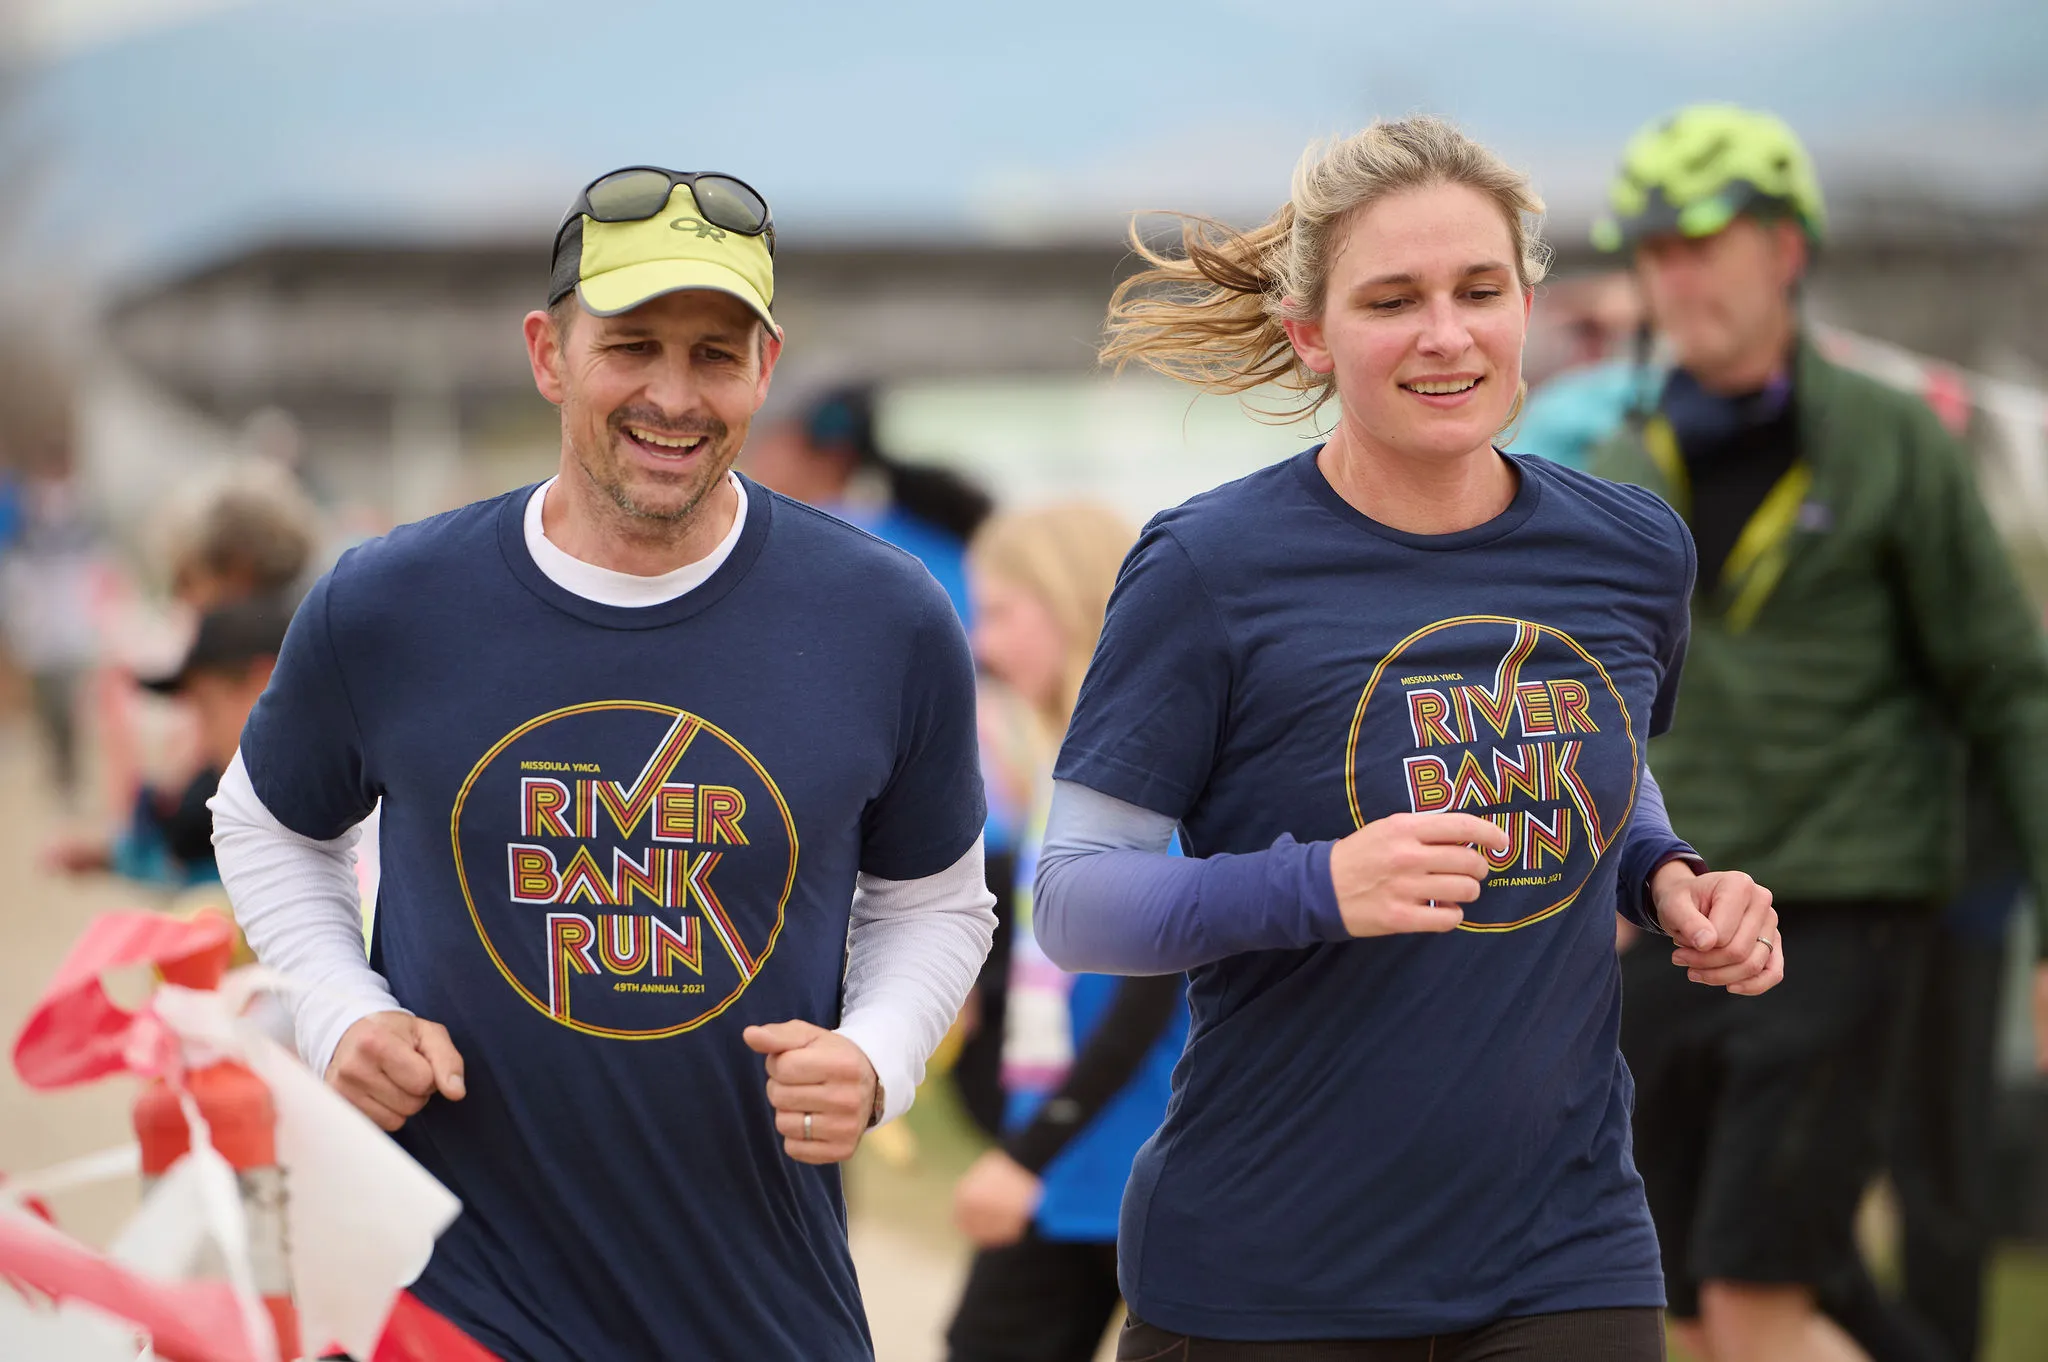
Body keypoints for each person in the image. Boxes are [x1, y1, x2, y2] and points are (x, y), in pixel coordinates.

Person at [209, 165, 995, 1361]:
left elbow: (936, 897)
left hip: (759, 1304)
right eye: (630, 347)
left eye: (715, 355)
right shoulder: (391, 603)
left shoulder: (884, 617)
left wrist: (878, 1055)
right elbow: (267, 823)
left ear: (765, 370)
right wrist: (336, 1012)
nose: (673, 397)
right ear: (547, 352)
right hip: (453, 1303)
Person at [1031, 115, 1783, 1362]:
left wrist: (1666, 880)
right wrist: (1320, 884)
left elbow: (1602, 768)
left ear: (1525, 303)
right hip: (1266, 1277)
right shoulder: (1207, 568)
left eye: (1478, 290)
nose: (1446, 335)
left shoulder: (1631, 549)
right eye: (1392, 300)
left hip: (1565, 1250)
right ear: (1310, 334)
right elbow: (1075, 902)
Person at [1586, 104, 2048, 1362]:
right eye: (1655, 250)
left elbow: (2010, 682)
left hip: (1846, 906)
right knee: (1680, 1291)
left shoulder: (1894, 440)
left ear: (1786, 250)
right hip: (1672, 913)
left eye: (1705, 242)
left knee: (1753, 1294)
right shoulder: (1621, 463)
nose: (1676, 274)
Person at [944, 504, 1189, 1362]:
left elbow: (1149, 994)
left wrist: (1028, 1153)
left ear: (1068, 604)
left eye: (1002, 613)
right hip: (1069, 1163)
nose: (985, 645)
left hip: (1134, 1164)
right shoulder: (1060, 774)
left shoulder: (1150, 769)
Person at [46, 598, 288, 888]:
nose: (202, 736)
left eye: (206, 707)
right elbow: (187, 866)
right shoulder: (227, 797)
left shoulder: (331, 811)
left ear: (263, 684)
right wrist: (109, 857)